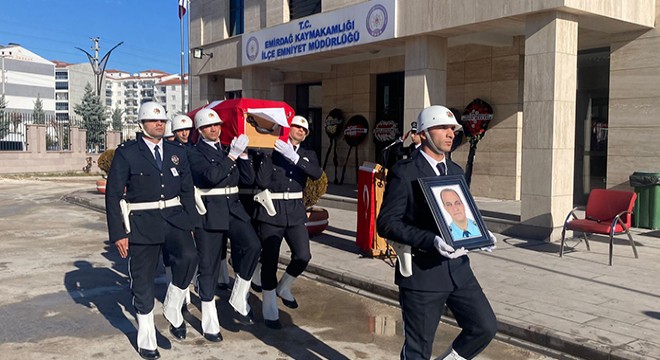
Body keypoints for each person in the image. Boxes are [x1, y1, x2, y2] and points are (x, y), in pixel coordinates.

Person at [377, 105, 497, 360]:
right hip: (423, 274)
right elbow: (387, 223)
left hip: (459, 272)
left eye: (452, 129)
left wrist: (480, 234)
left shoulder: (454, 171)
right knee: (419, 350)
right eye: (443, 128)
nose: (450, 133)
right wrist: (430, 240)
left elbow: (461, 212)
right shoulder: (405, 171)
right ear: (424, 132)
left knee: (484, 327)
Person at [105, 101, 199, 360]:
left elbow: (187, 189)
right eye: (154, 121)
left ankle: (173, 303)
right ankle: (146, 335)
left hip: (174, 218)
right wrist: (119, 234)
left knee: (190, 257)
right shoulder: (128, 153)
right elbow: (113, 195)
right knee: (143, 279)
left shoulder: (175, 151)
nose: (159, 124)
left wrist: (190, 222)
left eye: (163, 121)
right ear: (142, 124)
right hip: (142, 222)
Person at [187, 108, 262, 341]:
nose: (215, 129)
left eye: (217, 125)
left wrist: (245, 156)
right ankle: (210, 319)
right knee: (208, 266)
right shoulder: (194, 152)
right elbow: (210, 176)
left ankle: (239, 293)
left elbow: (248, 180)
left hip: (233, 208)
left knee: (253, 246)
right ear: (200, 130)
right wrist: (232, 157)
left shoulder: (228, 148)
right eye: (209, 126)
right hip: (210, 210)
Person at [254, 115, 323, 329]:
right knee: (270, 259)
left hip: (294, 211)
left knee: (303, 255)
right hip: (271, 211)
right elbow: (262, 181)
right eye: (297, 126)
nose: (301, 130)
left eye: (304, 129)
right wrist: (269, 154)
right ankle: (269, 308)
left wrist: (293, 158)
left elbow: (316, 173)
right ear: (288, 128)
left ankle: (284, 286)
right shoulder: (272, 151)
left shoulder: (307, 154)